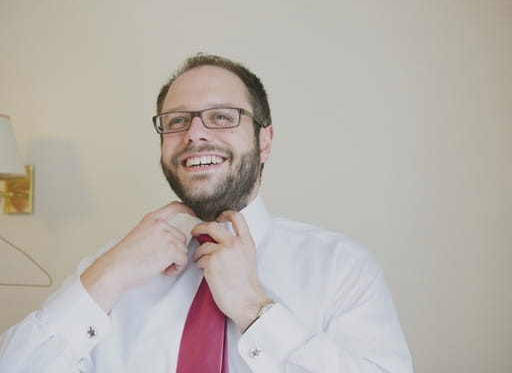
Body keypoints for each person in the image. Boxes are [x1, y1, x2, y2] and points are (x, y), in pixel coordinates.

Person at [0, 53, 413, 372]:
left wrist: (255, 309)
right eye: (177, 121)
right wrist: (105, 275)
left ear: (264, 141)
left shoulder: (343, 268)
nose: (195, 133)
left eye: (221, 117)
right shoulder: (110, 270)